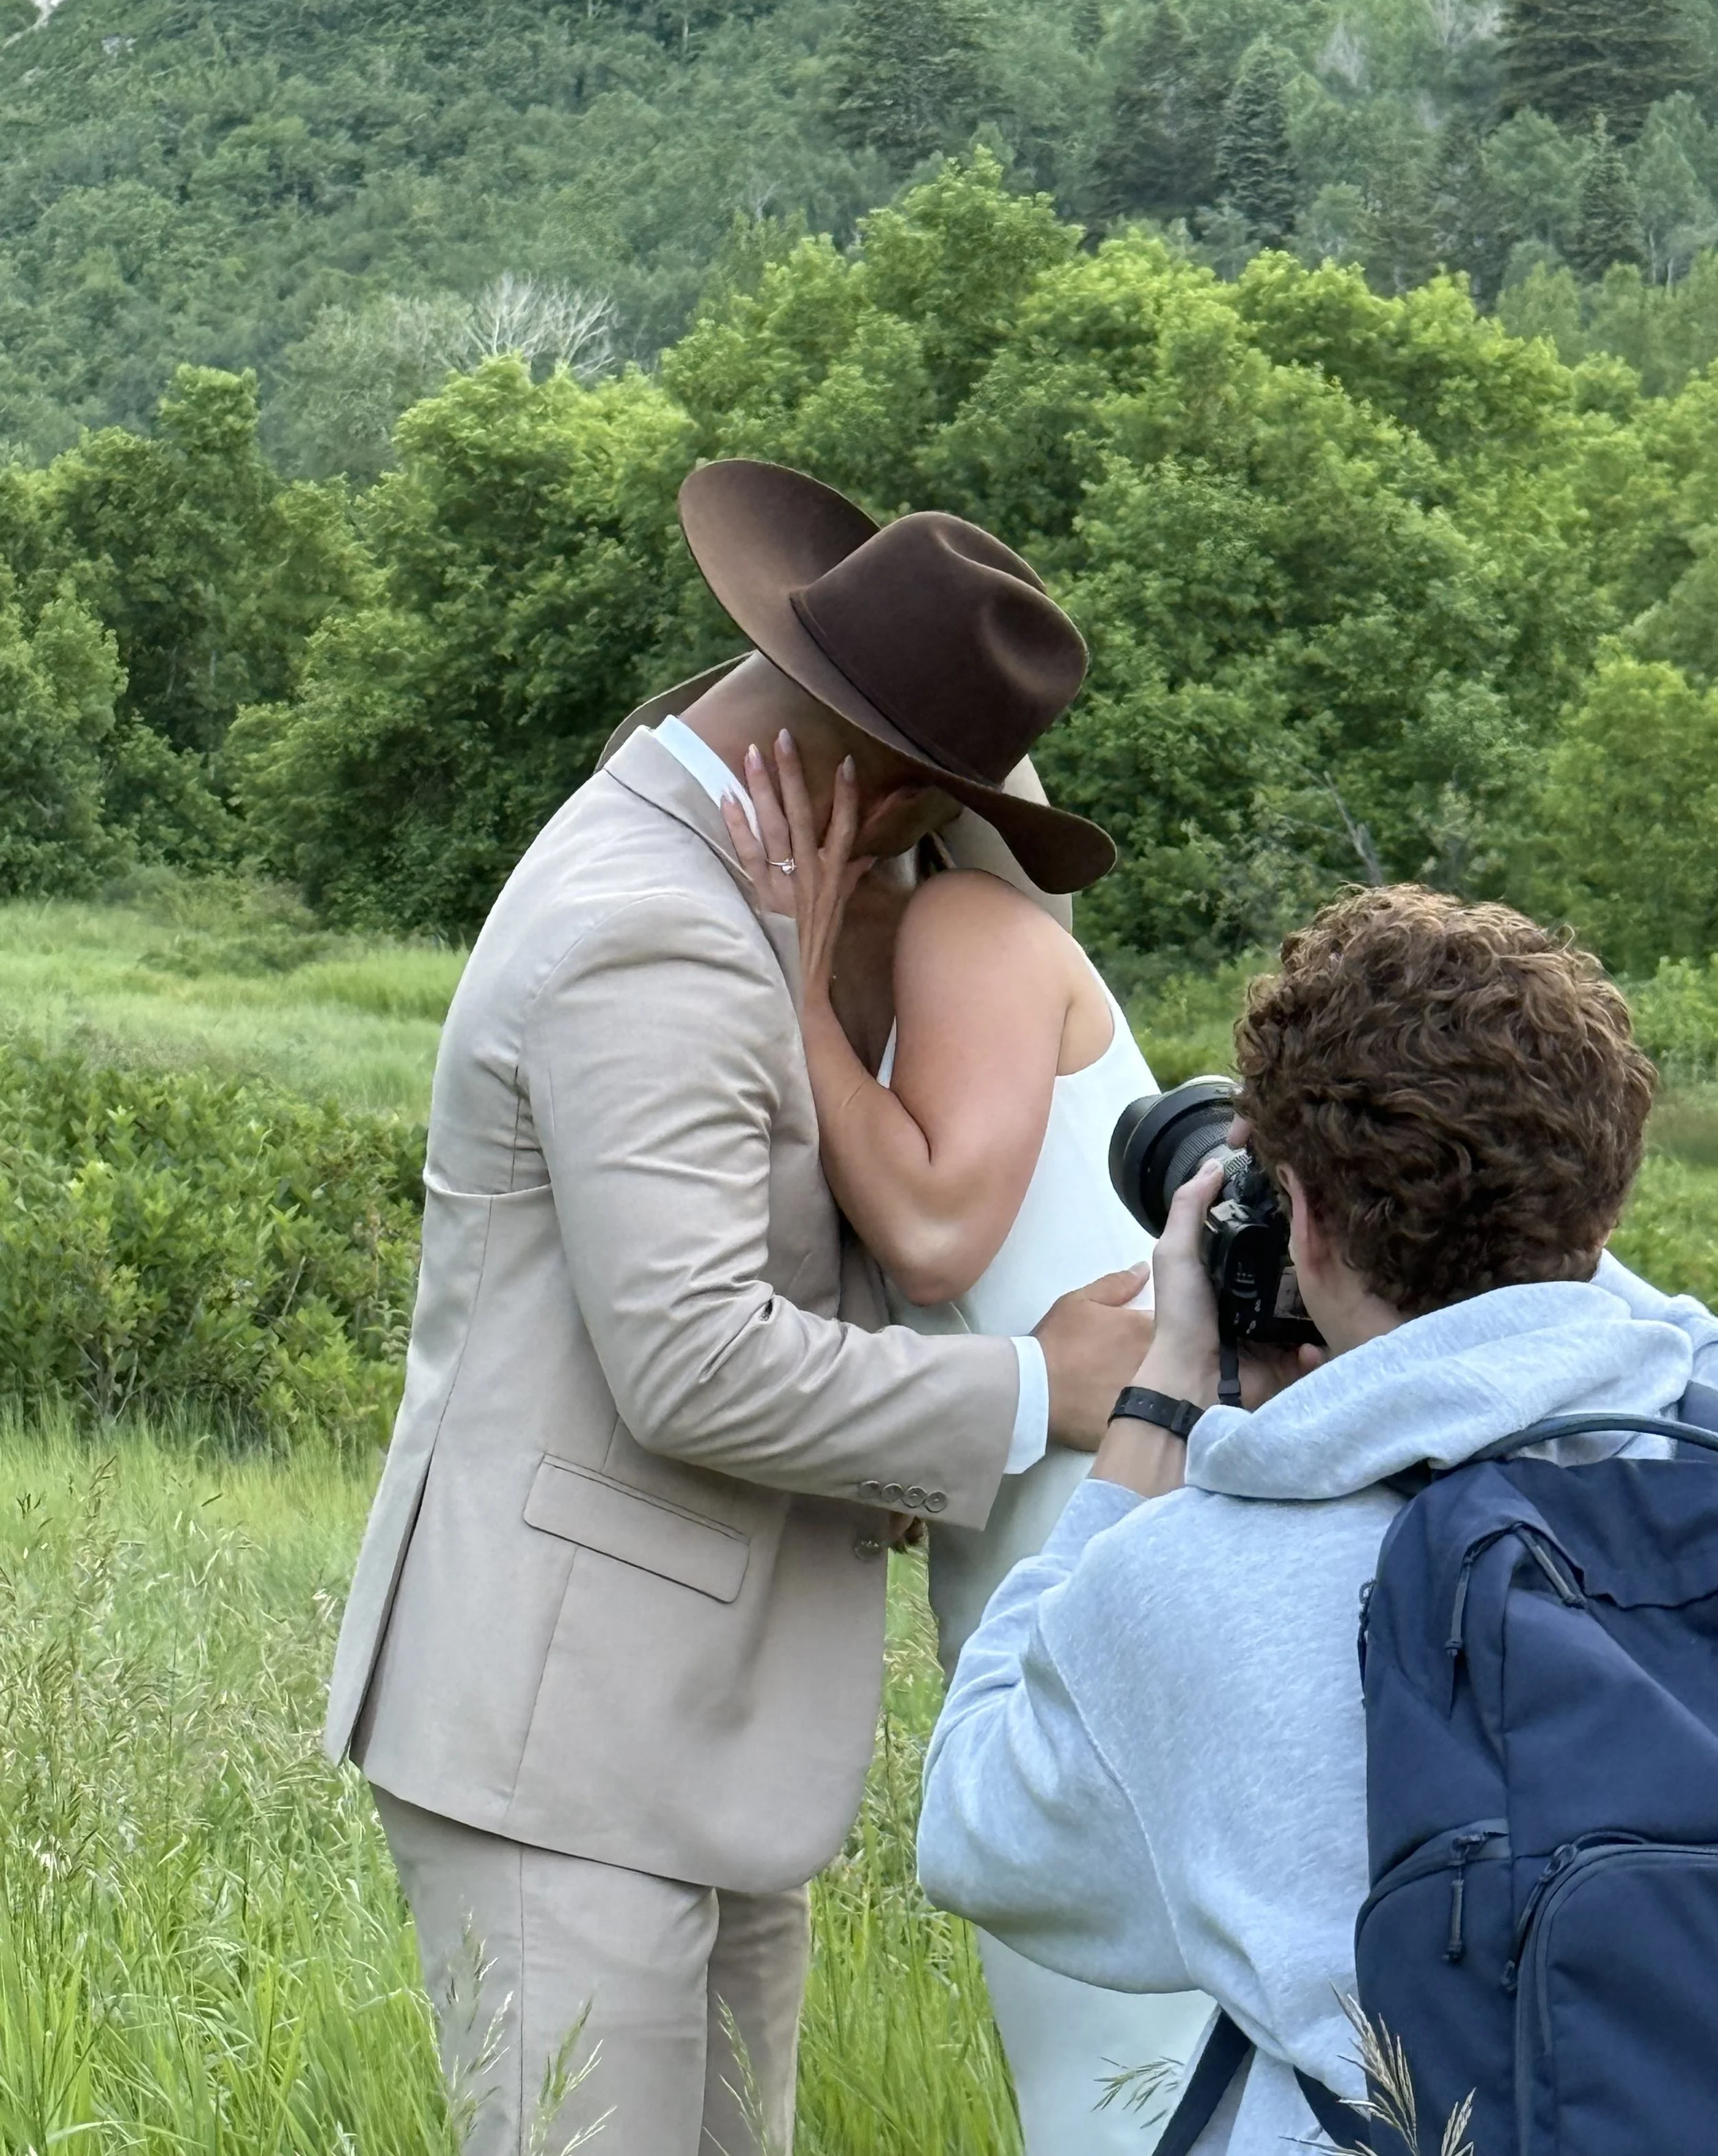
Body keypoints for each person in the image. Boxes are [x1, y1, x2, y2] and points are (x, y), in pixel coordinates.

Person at [322, 457, 1157, 2156]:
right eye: (943, 818)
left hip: (678, 1733)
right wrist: (1033, 1395)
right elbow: (691, 1363)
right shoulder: (652, 930)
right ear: (893, 793)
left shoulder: (721, 902)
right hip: (571, 1741)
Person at [915, 885, 1718, 2156]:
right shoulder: (1700, 1424)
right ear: (1603, 1206)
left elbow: (976, 1827)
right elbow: (1613, 1313)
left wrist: (1159, 1403)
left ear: (1309, 1225)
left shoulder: (1196, 1586)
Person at [724, 740, 1213, 2149]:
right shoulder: (908, 977)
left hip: (1113, 1510)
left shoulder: (967, 927)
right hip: (1026, 1521)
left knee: (1124, 2065)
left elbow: (941, 1227)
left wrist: (793, 986)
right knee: (1094, 2049)